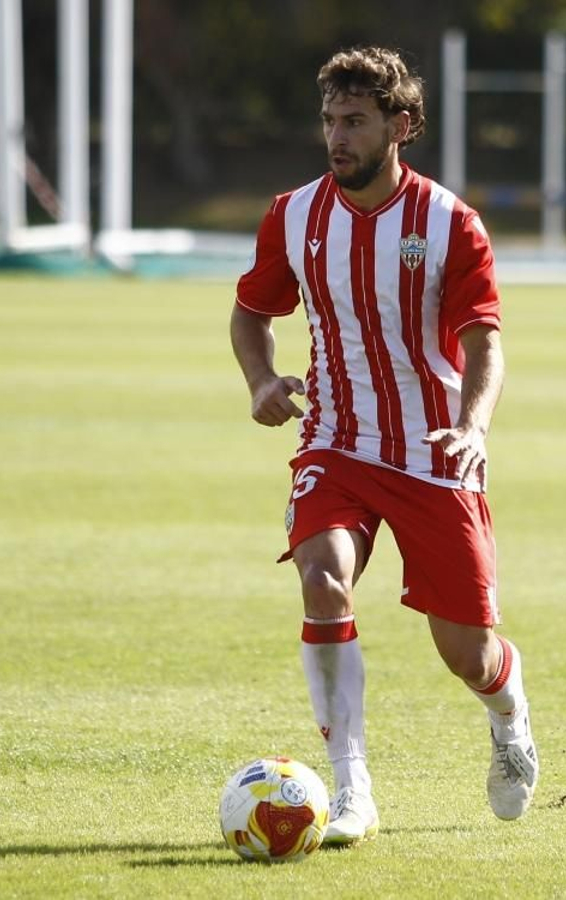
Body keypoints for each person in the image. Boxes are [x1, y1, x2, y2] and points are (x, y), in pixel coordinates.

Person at [229, 46, 537, 844]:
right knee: (323, 581)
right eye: (331, 120)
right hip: (334, 443)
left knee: (467, 654)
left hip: (435, 455)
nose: (338, 136)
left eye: (356, 121)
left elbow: (484, 342)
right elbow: (252, 310)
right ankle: (352, 789)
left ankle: (509, 712)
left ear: (401, 126)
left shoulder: (448, 223)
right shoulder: (294, 214)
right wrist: (261, 380)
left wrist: (473, 427)